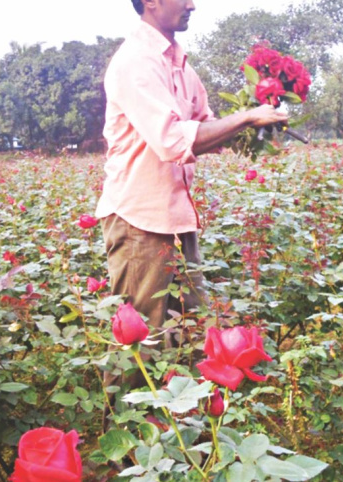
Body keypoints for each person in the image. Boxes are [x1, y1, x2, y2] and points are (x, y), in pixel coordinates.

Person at [96, 0, 287, 339]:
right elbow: (172, 141)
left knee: (194, 333)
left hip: (177, 220)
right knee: (141, 343)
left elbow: (206, 129)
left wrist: (254, 119)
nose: (192, 5)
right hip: (138, 222)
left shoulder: (179, 64)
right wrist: (246, 117)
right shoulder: (136, 61)